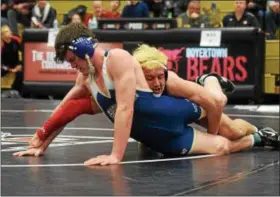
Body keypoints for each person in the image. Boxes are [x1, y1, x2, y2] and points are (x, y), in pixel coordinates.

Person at [13, 24, 279, 165]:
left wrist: (115, 156)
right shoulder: (86, 77)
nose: (71, 65)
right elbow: (68, 108)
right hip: (165, 132)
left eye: (71, 58)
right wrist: (41, 141)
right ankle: (258, 138)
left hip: (177, 108)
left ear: (83, 48)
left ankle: (210, 80)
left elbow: (127, 109)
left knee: (226, 125)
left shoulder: (115, 59)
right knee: (221, 148)